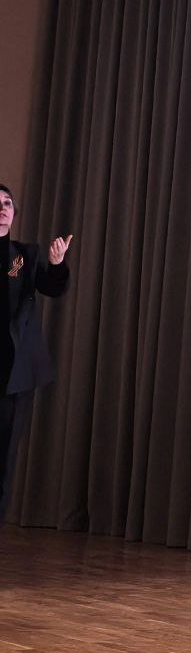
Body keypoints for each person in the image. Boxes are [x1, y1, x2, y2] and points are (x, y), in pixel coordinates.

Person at [0, 183, 73, 519]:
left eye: (7, 203)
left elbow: (51, 287)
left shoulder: (24, 256)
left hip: (12, 375)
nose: (3, 209)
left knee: (4, 457)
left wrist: (56, 265)